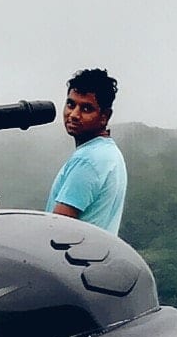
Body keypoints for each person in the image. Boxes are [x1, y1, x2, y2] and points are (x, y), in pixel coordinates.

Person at [45, 68, 128, 232]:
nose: (74, 114)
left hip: (68, 257)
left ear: (105, 116)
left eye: (86, 108)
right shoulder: (110, 153)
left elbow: (56, 229)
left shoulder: (87, 160)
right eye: (70, 104)